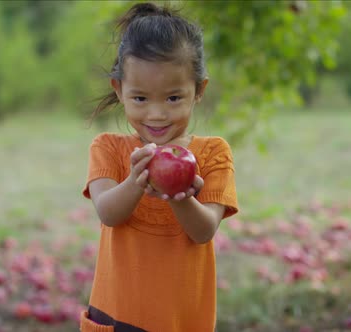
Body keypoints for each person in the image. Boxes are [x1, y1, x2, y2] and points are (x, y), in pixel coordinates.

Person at [80, 3, 238, 331]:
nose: (156, 114)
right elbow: (108, 213)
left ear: (199, 91)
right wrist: (135, 181)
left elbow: (204, 230)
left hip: (182, 323)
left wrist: (180, 196)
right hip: (116, 318)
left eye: (172, 98)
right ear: (119, 90)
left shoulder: (213, 154)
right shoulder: (108, 148)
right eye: (140, 98)